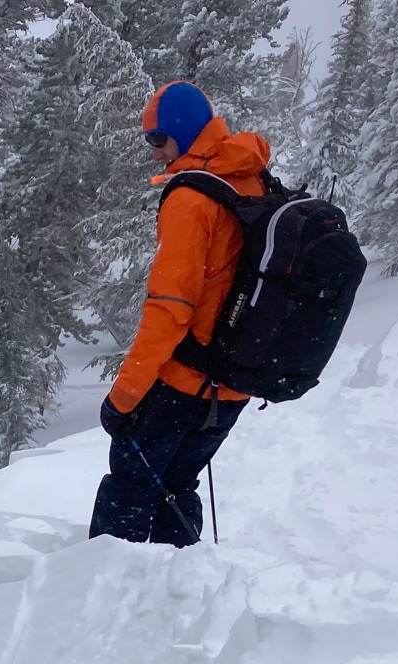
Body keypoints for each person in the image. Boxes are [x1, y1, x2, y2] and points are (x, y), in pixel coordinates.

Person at [92, 82, 273, 547]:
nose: (154, 153)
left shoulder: (191, 199)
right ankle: (180, 580)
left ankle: (106, 585)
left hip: (183, 383)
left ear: (185, 131)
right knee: (176, 486)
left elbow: (170, 308)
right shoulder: (250, 178)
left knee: (130, 486)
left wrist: (124, 397)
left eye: (159, 139)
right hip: (235, 383)